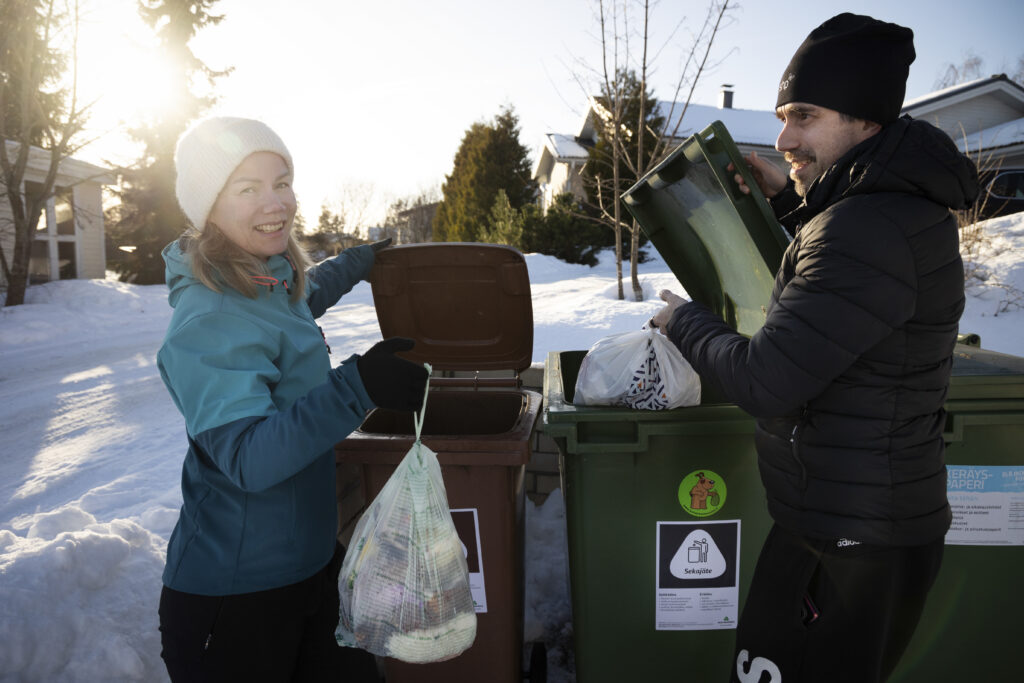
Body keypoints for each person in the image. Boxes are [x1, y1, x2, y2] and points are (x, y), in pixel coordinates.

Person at [650, 14, 979, 683]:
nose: (784, 138)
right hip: (850, 522)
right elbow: (837, 295)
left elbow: (766, 378)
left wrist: (683, 322)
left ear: (865, 122)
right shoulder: (883, 211)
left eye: (804, 116)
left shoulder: (867, 229)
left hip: (854, 538)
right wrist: (788, 207)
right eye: (782, 116)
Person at [156, 116, 428, 682]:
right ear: (209, 207)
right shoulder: (207, 319)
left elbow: (303, 301)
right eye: (247, 189)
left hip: (309, 567)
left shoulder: (266, 283)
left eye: (281, 182)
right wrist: (358, 387)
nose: (274, 203)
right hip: (235, 603)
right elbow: (249, 460)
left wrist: (357, 261)